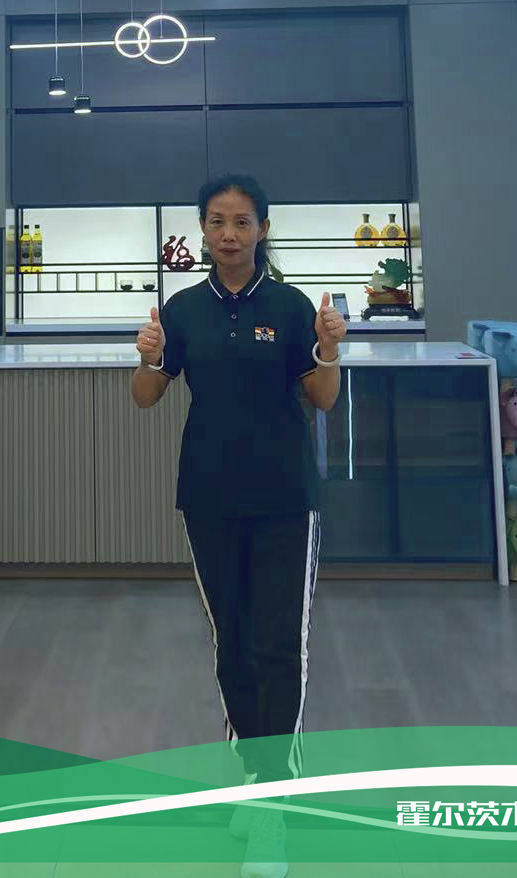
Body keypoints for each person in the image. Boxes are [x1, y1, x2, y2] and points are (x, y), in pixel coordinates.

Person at [131, 174, 346, 878]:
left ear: (262, 230)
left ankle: (273, 803)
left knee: (279, 646)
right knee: (233, 644)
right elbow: (146, 397)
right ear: (202, 229)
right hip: (209, 495)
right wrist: (146, 356)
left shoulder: (290, 306)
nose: (229, 234)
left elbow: (322, 398)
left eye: (242, 221)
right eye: (218, 221)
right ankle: (253, 778)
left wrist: (328, 348)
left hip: (285, 496)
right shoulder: (184, 309)